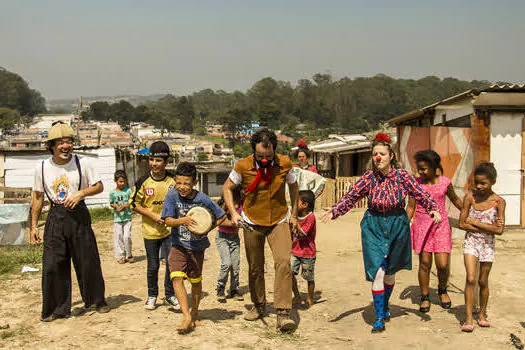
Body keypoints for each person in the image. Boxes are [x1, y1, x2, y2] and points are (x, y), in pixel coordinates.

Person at [321, 133, 441, 333]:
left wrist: (432, 208)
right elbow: (351, 196)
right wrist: (335, 210)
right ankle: (378, 317)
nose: (378, 157)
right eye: (375, 154)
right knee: (378, 270)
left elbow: (419, 193)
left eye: (382, 154)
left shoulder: (403, 176)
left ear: (391, 156)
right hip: (374, 226)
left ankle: (385, 305)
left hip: (397, 225)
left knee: (390, 272)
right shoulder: (368, 178)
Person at [222, 128, 301, 333]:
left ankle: (283, 313)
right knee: (256, 266)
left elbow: (294, 185)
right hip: (251, 220)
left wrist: (293, 214)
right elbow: (227, 188)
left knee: (283, 261)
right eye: (260, 156)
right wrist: (233, 213)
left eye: (269, 155)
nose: (265, 159)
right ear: (253, 152)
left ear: (275, 150)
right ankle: (258, 306)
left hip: (279, 219)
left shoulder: (284, 163)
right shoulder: (242, 166)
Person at [30, 121, 109, 322]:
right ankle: (57, 309)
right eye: (60, 143)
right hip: (55, 217)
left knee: (87, 260)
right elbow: (38, 197)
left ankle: (95, 301)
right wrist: (33, 226)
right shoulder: (41, 167)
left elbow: (99, 186)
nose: (65, 146)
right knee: (52, 265)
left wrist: (81, 193)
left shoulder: (83, 163)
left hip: (78, 215)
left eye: (68, 142)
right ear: (51, 146)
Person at [161, 162, 225, 334]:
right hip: (178, 244)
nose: (182, 187)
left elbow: (221, 215)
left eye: (187, 184)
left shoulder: (203, 199)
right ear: (175, 181)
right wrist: (183, 221)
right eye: (179, 183)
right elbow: (167, 220)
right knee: (176, 276)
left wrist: (206, 228)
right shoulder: (172, 196)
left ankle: (195, 310)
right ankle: (186, 316)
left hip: (197, 247)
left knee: (195, 280)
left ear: (195, 182)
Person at [406, 150, 463, 312]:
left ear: (433, 167)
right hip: (422, 227)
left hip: (441, 226)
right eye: (419, 169)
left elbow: (456, 200)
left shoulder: (445, 182)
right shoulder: (415, 184)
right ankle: (425, 296)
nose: (421, 172)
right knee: (424, 263)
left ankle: (442, 289)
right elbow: (411, 207)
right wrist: (402, 225)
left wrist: (469, 213)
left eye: (424, 168)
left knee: (443, 264)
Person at [130, 141, 179, 311]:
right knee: (153, 265)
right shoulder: (143, 182)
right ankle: (152, 295)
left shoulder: (173, 181)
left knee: (171, 263)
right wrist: (153, 215)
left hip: (169, 231)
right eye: (151, 160)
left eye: (158, 161)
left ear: (166, 162)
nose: (154, 164)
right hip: (150, 231)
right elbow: (134, 204)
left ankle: (170, 294)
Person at [459, 162, 505, 332]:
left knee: (482, 281)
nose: (478, 186)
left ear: (493, 181)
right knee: (471, 278)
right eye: (476, 182)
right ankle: (469, 318)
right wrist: (487, 227)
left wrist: (475, 222)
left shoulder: (499, 202)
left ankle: (482, 314)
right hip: (471, 241)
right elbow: (462, 224)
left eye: (483, 183)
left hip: (488, 244)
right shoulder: (469, 198)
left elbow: (499, 230)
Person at [215, 187, 244, 302]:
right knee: (226, 263)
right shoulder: (223, 204)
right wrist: (234, 224)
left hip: (234, 238)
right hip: (222, 237)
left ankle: (234, 289)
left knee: (235, 266)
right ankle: (220, 288)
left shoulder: (242, 204)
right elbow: (220, 220)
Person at [291, 190, 317, 309]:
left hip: (308, 253)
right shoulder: (294, 216)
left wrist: (295, 223)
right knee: (289, 273)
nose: (294, 204)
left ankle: (310, 298)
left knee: (308, 277)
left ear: (305, 204)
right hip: (294, 251)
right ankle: (296, 296)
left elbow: (303, 233)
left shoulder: (310, 217)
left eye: (297, 202)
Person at [109, 170, 134, 264]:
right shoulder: (112, 192)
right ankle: (121, 255)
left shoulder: (128, 191)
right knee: (119, 236)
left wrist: (124, 206)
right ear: (115, 181)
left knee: (127, 236)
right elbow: (111, 203)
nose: (122, 183)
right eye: (120, 181)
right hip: (117, 218)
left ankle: (129, 254)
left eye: (124, 181)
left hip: (127, 218)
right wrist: (116, 207)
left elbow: (131, 202)